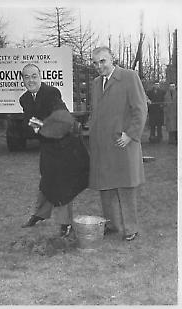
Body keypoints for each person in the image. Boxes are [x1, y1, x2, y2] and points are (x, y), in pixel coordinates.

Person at [19, 63, 89, 238]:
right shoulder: (24, 99)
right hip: (49, 145)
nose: (30, 80)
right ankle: (39, 214)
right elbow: (29, 121)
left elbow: (62, 118)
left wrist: (40, 126)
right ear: (23, 80)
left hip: (67, 145)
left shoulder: (51, 93)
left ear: (40, 77)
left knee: (62, 185)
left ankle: (66, 224)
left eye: (34, 76)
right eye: (26, 77)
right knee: (47, 179)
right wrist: (40, 126)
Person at [89, 46, 148, 241]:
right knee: (105, 187)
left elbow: (140, 110)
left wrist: (130, 135)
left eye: (103, 61)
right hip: (103, 146)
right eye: (95, 63)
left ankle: (131, 228)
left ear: (112, 59)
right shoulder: (96, 83)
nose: (99, 66)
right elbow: (96, 114)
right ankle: (112, 224)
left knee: (125, 188)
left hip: (122, 143)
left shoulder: (129, 77)